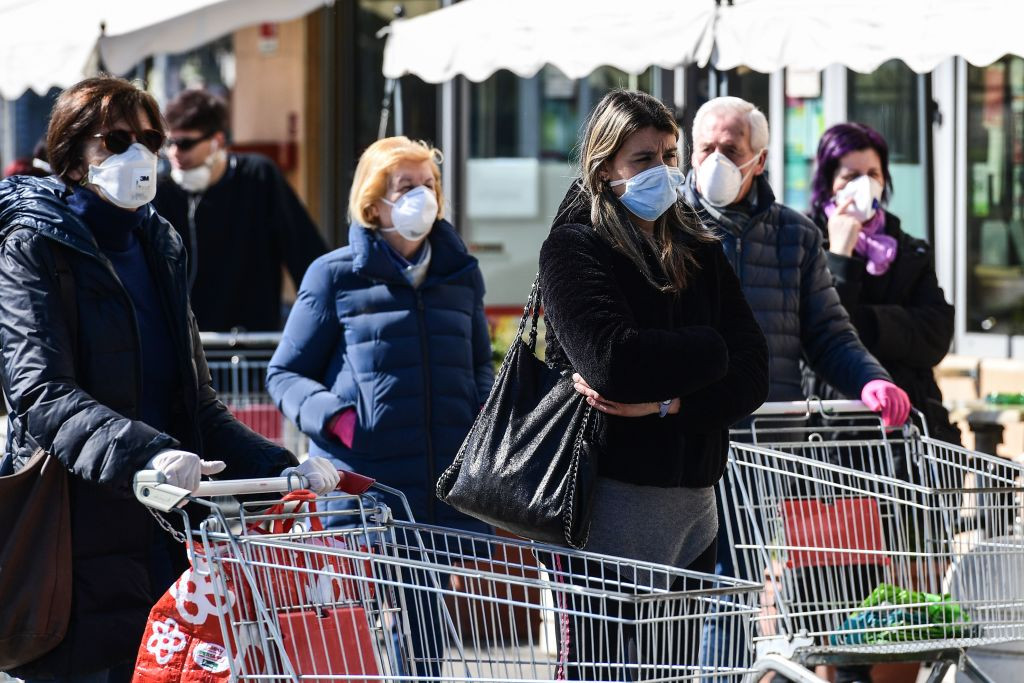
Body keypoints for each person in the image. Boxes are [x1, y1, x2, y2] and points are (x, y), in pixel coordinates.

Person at [0, 76, 339, 682]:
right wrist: (148, 454)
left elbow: (198, 406)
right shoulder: (33, 245)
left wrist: (281, 469)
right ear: (73, 155)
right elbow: (40, 393)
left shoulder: (159, 243)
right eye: (117, 140)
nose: (139, 154)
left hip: (166, 540)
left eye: (150, 140)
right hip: (72, 544)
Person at [537, 89, 770, 680]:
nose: (663, 171)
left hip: (694, 508)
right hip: (608, 507)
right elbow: (615, 364)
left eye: (669, 156)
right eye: (643, 159)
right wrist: (710, 349)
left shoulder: (696, 247)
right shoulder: (575, 246)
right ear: (604, 168)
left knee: (675, 673)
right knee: (605, 673)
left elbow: (753, 375)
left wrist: (669, 403)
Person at [679, 97, 913, 683]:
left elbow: (829, 334)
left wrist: (872, 380)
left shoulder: (795, 236)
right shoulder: (667, 227)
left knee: (737, 587)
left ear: (758, 160)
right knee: (682, 595)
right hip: (680, 437)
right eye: (704, 149)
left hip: (762, 448)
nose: (714, 161)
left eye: (729, 150)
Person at [265, 135, 495, 673]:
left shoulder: (461, 273)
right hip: (368, 489)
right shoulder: (334, 275)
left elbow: (479, 365)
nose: (422, 196)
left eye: (429, 184)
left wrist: (480, 421)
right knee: (369, 638)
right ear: (374, 204)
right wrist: (340, 420)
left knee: (426, 636)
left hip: (441, 488)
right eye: (406, 185)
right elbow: (285, 373)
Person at [806, 122, 960, 444]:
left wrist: (867, 324)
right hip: (835, 430)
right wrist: (840, 254)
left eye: (872, 175)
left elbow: (936, 334)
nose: (864, 185)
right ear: (829, 182)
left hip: (911, 426)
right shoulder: (804, 242)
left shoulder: (909, 249)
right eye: (851, 176)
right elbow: (822, 332)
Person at [152, 89, 328, 332]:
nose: (175, 153)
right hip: (184, 342)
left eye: (185, 144)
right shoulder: (160, 190)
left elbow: (304, 253)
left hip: (250, 340)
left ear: (217, 140)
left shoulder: (259, 177)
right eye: (169, 143)